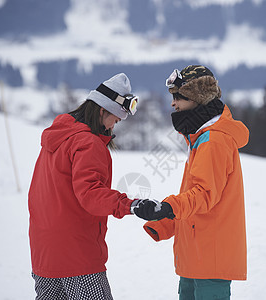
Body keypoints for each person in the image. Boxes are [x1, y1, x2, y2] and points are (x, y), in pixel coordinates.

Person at [133, 65, 249, 299]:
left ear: (198, 98)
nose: (173, 103)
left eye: (179, 96)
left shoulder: (213, 141)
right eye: (172, 96)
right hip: (195, 256)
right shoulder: (199, 137)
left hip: (209, 259)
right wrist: (164, 220)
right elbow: (196, 199)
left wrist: (168, 207)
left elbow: (204, 195)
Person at [28, 73, 141, 300]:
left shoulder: (59, 136)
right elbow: (90, 194)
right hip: (78, 255)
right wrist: (131, 205)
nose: (115, 125)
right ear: (102, 110)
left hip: (44, 253)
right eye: (116, 119)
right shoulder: (88, 142)